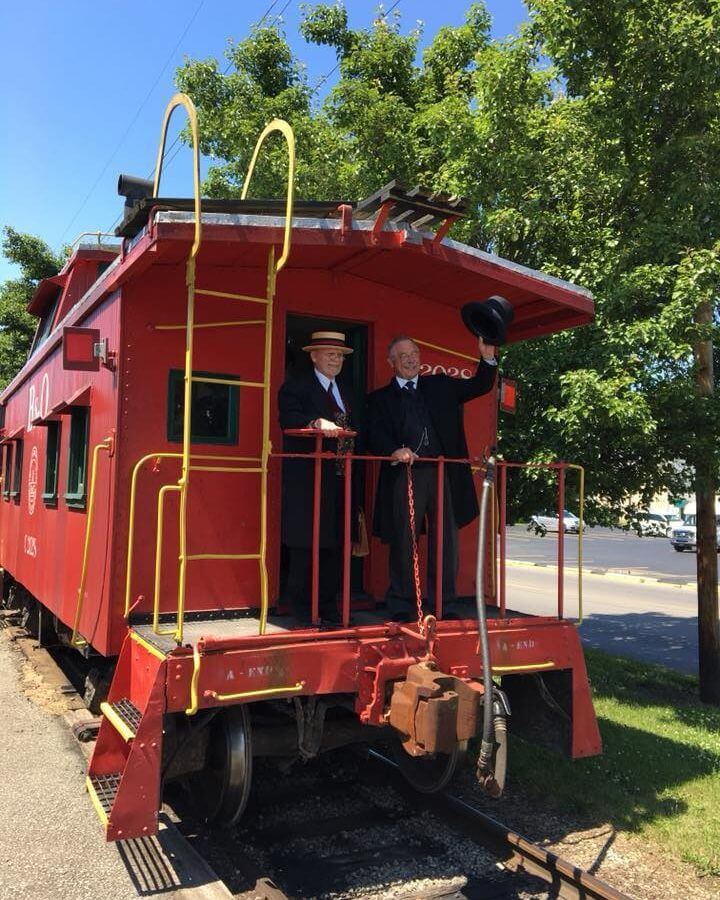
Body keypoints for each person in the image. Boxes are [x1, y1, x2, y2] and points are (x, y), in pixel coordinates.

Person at [366, 335, 497, 618]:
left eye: (415, 353)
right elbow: (372, 434)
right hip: (404, 474)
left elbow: (480, 385)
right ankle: (402, 603)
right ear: (392, 363)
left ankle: (444, 603)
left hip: (442, 474)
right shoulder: (379, 398)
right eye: (403, 356)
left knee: (445, 540)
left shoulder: (440, 385)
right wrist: (393, 450)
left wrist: (486, 358)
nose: (411, 359)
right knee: (404, 539)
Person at [278, 331, 355, 625]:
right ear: (314, 356)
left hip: (341, 477)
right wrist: (314, 423)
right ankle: (301, 609)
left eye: (340, 356)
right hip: (309, 478)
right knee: (306, 543)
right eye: (330, 354)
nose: (336, 360)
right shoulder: (295, 387)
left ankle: (329, 606)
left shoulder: (345, 389)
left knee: (336, 543)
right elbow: (288, 418)